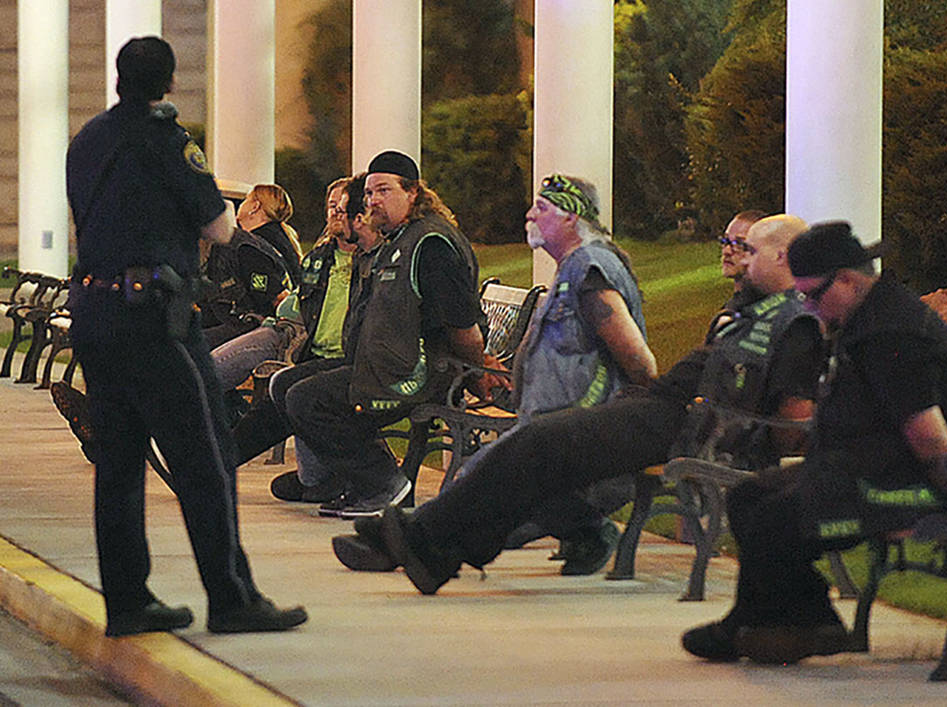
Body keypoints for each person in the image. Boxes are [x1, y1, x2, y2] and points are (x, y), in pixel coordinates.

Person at [342, 214, 823, 594]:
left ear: (783, 256)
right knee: (538, 455)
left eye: (749, 249)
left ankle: (418, 537)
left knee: (537, 443)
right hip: (666, 410)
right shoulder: (754, 309)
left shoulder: (797, 324)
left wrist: (742, 433)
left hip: (682, 425)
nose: (738, 257)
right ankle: (432, 547)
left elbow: (791, 423)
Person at [64, 36, 306, 636]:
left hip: (93, 311)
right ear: (169, 83)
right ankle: (232, 598)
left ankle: (127, 602)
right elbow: (221, 227)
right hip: (153, 318)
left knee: (118, 463)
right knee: (206, 455)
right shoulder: (169, 142)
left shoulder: (86, 141)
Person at [678, 221, 947, 665]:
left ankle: (785, 623)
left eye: (814, 295)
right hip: (863, 466)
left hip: (905, 484)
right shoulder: (867, 317)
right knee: (748, 497)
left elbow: (926, 431)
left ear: (849, 280)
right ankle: (793, 618)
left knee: (778, 518)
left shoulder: (890, 333)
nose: (810, 308)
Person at [333, 174, 657, 575]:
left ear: (572, 216)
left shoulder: (591, 270)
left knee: (488, 495)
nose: (529, 215)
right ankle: (409, 544)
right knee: (485, 488)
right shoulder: (575, 268)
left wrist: (620, 424)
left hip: (576, 442)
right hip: (549, 436)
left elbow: (639, 361)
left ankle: (401, 543)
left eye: (542, 208)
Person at [283, 150, 499, 519]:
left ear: (413, 192)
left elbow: (463, 328)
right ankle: (364, 482)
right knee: (292, 386)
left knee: (308, 400)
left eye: (382, 190)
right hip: (389, 367)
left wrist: (475, 374)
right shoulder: (402, 238)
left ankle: (384, 485)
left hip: (417, 375)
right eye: (368, 194)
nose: (372, 201)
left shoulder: (431, 245)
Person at [229, 174, 385, 503]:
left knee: (295, 391)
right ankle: (214, 462)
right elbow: (298, 302)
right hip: (302, 342)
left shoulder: (373, 261)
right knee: (278, 394)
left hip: (347, 360)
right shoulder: (321, 257)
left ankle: (340, 479)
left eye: (344, 208)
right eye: (332, 207)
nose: (335, 213)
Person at [199, 184, 296, 348]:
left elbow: (277, 297)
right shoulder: (280, 238)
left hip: (257, 329)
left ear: (255, 206)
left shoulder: (246, 247)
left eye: (246, 200)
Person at [718, 210, 767, 312]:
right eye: (725, 241)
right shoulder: (733, 307)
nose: (727, 251)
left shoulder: (761, 312)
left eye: (739, 244)